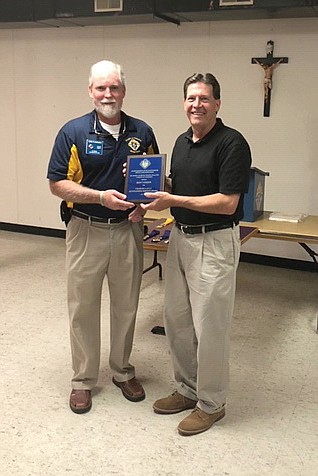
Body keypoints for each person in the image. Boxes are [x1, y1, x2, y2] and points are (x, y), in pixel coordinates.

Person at [141, 73, 252, 436]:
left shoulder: (232, 143)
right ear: (184, 103)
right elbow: (178, 187)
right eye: (191, 98)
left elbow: (227, 202)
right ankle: (187, 389)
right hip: (181, 239)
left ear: (217, 104)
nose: (196, 105)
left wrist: (172, 200)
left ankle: (212, 403)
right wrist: (147, 183)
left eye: (204, 98)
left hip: (215, 242)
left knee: (211, 327)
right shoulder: (182, 142)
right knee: (178, 320)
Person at [47, 60, 159, 414]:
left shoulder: (142, 130)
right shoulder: (73, 131)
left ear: (124, 91)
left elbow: (156, 182)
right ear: (90, 91)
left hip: (127, 231)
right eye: (101, 88)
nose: (107, 94)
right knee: (82, 307)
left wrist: (144, 206)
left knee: (127, 306)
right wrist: (99, 197)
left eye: (114, 88)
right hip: (85, 229)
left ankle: (123, 371)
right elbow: (56, 183)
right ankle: (82, 380)